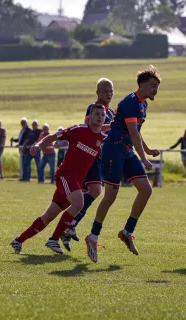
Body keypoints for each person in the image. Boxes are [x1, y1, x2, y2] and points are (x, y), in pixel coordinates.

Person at [85, 65, 161, 263]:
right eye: (153, 86)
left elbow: (137, 132)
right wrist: (144, 158)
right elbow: (133, 133)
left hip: (126, 152)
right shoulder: (130, 102)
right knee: (110, 197)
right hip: (113, 152)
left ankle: (127, 231)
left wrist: (148, 149)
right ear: (142, 86)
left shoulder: (143, 103)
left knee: (146, 190)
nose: (156, 90)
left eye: (157, 87)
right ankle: (92, 237)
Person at [10, 105, 107, 255]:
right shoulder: (78, 130)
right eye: (97, 114)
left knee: (49, 215)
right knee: (79, 203)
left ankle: (18, 240)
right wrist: (38, 144)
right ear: (90, 117)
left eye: (103, 114)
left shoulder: (102, 140)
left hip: (76, 182)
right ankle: (53, 239)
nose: (100, 117)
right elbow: (54, 136)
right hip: (65, 175)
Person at [62, 77, 114, 251]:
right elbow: (88, 128)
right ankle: (69, 224)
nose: (109, 94)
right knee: (94, 191)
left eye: (111, 91)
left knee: (90, 193)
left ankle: (68, 226)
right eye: (106, 91)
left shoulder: (111, 112)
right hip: (90, 156)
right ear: (98, 92)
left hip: (100, 158)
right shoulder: (93, 109)